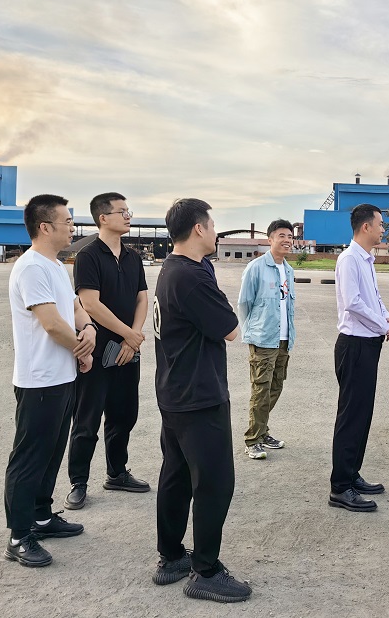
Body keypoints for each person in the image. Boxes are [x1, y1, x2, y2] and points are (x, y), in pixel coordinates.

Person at [151, 198, 251, 602]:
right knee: (214, 482)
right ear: (198, 229)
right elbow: (230, 328)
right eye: (211, 225)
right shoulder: (191, 277)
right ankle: (205, 571)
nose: (215, 231)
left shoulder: (174, 268)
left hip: (175, 390)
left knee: (176, 475)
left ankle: (172, 556)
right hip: (198, 395)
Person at [3, 195, 95, 567]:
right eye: (67, 222)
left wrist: (89, 327)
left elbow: (73, 308)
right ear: (45, 227)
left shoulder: (55, 266)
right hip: (39, 380)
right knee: (29, 458)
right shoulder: (30, 267)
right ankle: (18, 536)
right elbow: (52, 324)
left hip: (62, 376)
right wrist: (83, 349)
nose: (72, 228)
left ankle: (41, 516)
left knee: (52, 451)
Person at [64, 193, 149, 510]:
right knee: (86, 420)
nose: (128, 216)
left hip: (128, 352)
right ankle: (78, 483)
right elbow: (90, 303)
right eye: (122, 211)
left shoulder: (133, 257)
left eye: (129, 211)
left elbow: (142, 298)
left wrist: (132, 339)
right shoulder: (88, 256)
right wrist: (128, 334)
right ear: (103, 218)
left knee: (124, 416)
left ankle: (117, 473)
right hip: (97, 353)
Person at [329, 204, 389, 512]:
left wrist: (388, 316)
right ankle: (340, 487)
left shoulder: (366, 259)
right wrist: (382, 325)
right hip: (354, 345)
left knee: (362, 414)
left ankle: (352, 473)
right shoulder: (349, 259)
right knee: (351, 416)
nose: (383, 229)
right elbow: (353, 303)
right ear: (366, 226)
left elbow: (374, 297)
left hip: (368, 344)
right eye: (380, 224)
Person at [237, 219, 297, 460]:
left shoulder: (288, 270)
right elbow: (244, 303)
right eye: (281, 235)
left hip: (283, 338)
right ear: (270, 239)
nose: (287, 240)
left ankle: (262, 432)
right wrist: (250, 332)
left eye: (290, 236)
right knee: (260, 391)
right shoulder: (256, 267)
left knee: (276, 387)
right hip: (263, 338)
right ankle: (252, 440)